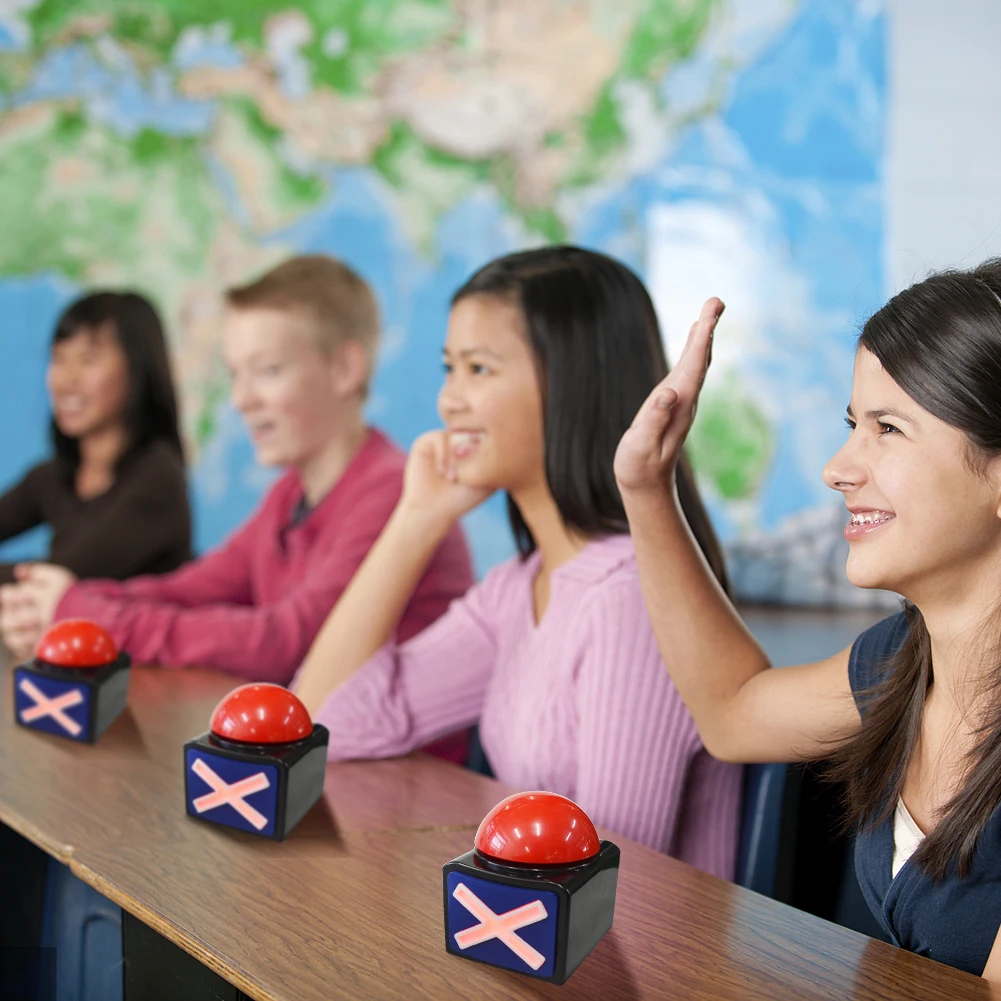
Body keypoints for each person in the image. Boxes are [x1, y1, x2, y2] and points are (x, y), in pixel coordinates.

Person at [292, 246, 742, 872]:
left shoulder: (628, 596)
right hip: (541, 940)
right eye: (450, 368)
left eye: (479, 369)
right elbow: (321, 726)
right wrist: (416, 519)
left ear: (572, 384)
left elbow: (618, 878)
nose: (449, 401)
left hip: (629, 960)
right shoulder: (521, 588)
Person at [613, 262, 1001, 978]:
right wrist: (646, 486)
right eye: (854, 424)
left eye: (887, 428)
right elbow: (731, 713)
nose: (836, 467)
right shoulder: (902, 658)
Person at [0, 258, 472, 722]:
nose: (242, 399)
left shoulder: (394, 492)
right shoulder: (288, 495)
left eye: (267, 370)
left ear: (346, 368)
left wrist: (85, 613)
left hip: (400, 780)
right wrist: (73, 604)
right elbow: (192, 589)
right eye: (235, 375)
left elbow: (286, 644)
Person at [0, 291, 191, 592]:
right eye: (59, 359)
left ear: (138, 368)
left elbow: (59, 579)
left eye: (88, 359)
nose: (67, 380)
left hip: (121, 639)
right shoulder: (53, 476)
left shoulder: (158, 479)